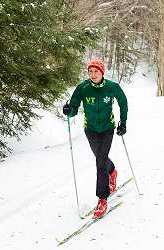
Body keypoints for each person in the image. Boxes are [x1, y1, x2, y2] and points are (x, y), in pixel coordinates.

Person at [62, 59, 128, 219]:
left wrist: (123, 123)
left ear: (102, 72)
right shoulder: (83, 88)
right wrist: (68, 111)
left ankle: (102, 199)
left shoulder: (112, 87)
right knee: (101, 158)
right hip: (90, 129)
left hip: (107, 128)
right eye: (90, 71)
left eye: (96, 71)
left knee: (100, 162)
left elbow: (123, 102)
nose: (92, 74)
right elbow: (74, 107)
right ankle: (112, 171)